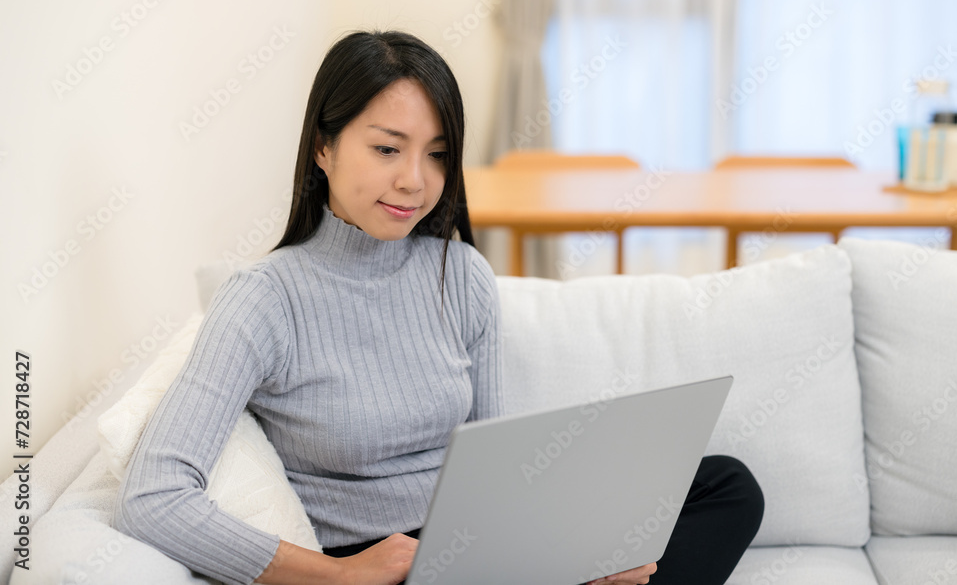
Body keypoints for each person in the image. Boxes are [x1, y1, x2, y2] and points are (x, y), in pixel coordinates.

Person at [113, 30, 763, 585]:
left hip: (482, 556)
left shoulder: (462, 275)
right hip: (377, 565)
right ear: (323, 147)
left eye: (438, 154)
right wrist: (339, 575)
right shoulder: (264, 298)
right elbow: (153, 497)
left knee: (727, 486)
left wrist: (580, 550)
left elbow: (497, 470)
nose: (415, 181)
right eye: (388, 148)